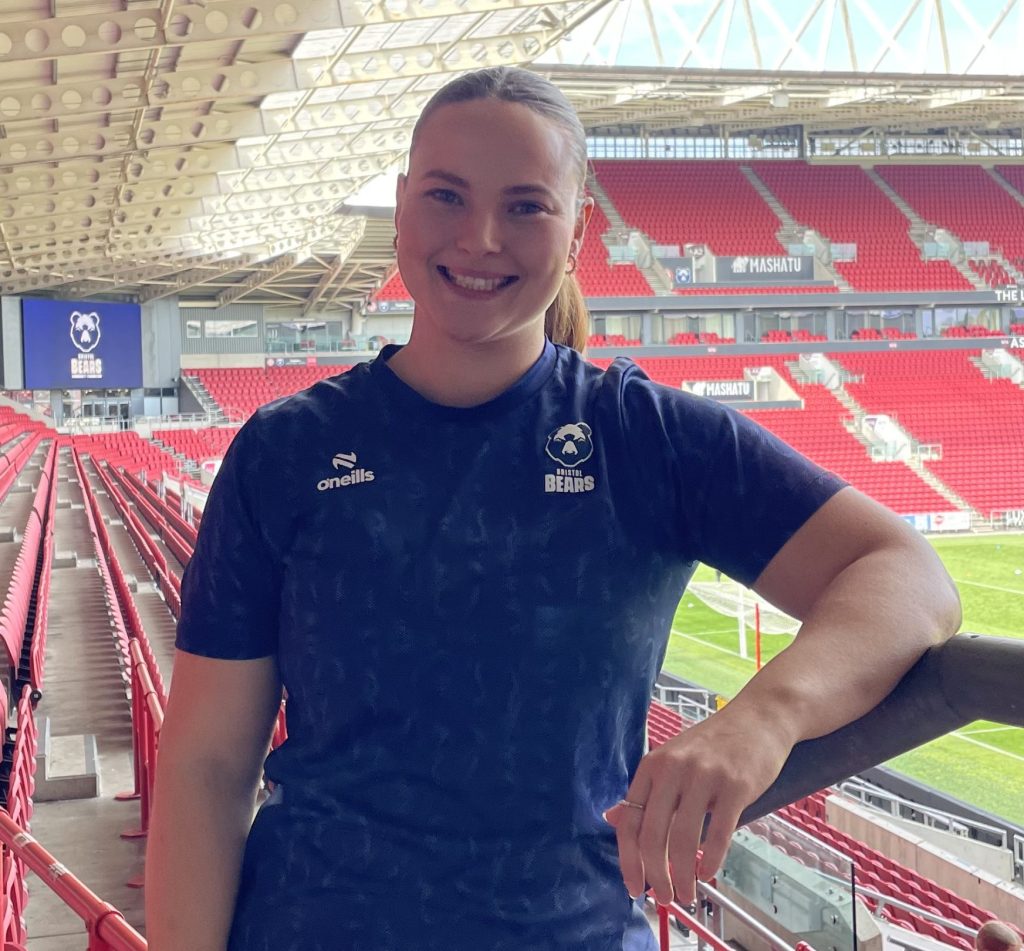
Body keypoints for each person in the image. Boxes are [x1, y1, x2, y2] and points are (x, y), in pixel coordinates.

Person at [144, 66, 961, 951]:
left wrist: (763, 718)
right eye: (446, 195)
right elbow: (207, 766)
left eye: (526, 206)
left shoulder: (642, 438)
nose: (480, 237)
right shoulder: (286, 451)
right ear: (403, 207)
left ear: (578, 234)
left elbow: (905, 575)